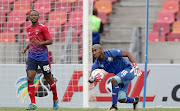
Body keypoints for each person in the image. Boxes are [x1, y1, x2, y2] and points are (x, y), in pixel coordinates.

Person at [21, 10, 59, 110]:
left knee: (48, 79)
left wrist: (41, 43)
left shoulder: (43, 28)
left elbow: (50, 41)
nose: (33, 17)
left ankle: (55, 99)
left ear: (38, 17)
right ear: (29, 17)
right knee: (29, 78)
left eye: (35, 15)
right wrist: (26, 48)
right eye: (31, 15)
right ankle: (33, 103)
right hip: (32, 57)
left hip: (43, 57)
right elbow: (32, 41)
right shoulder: (28, 28)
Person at [89, 44, 142, 111]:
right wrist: (91, 79)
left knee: (113, 80)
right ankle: (135, 101)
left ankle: (114, 106)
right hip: (120, 76)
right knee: (121, 99)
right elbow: (91, 76)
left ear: (101, 50)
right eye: (92, 51)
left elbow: (128, 53)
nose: (94, 53)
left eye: (95, 50)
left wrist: (135, 66)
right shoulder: (97, 64)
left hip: (128, 70)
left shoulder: (111, 52)